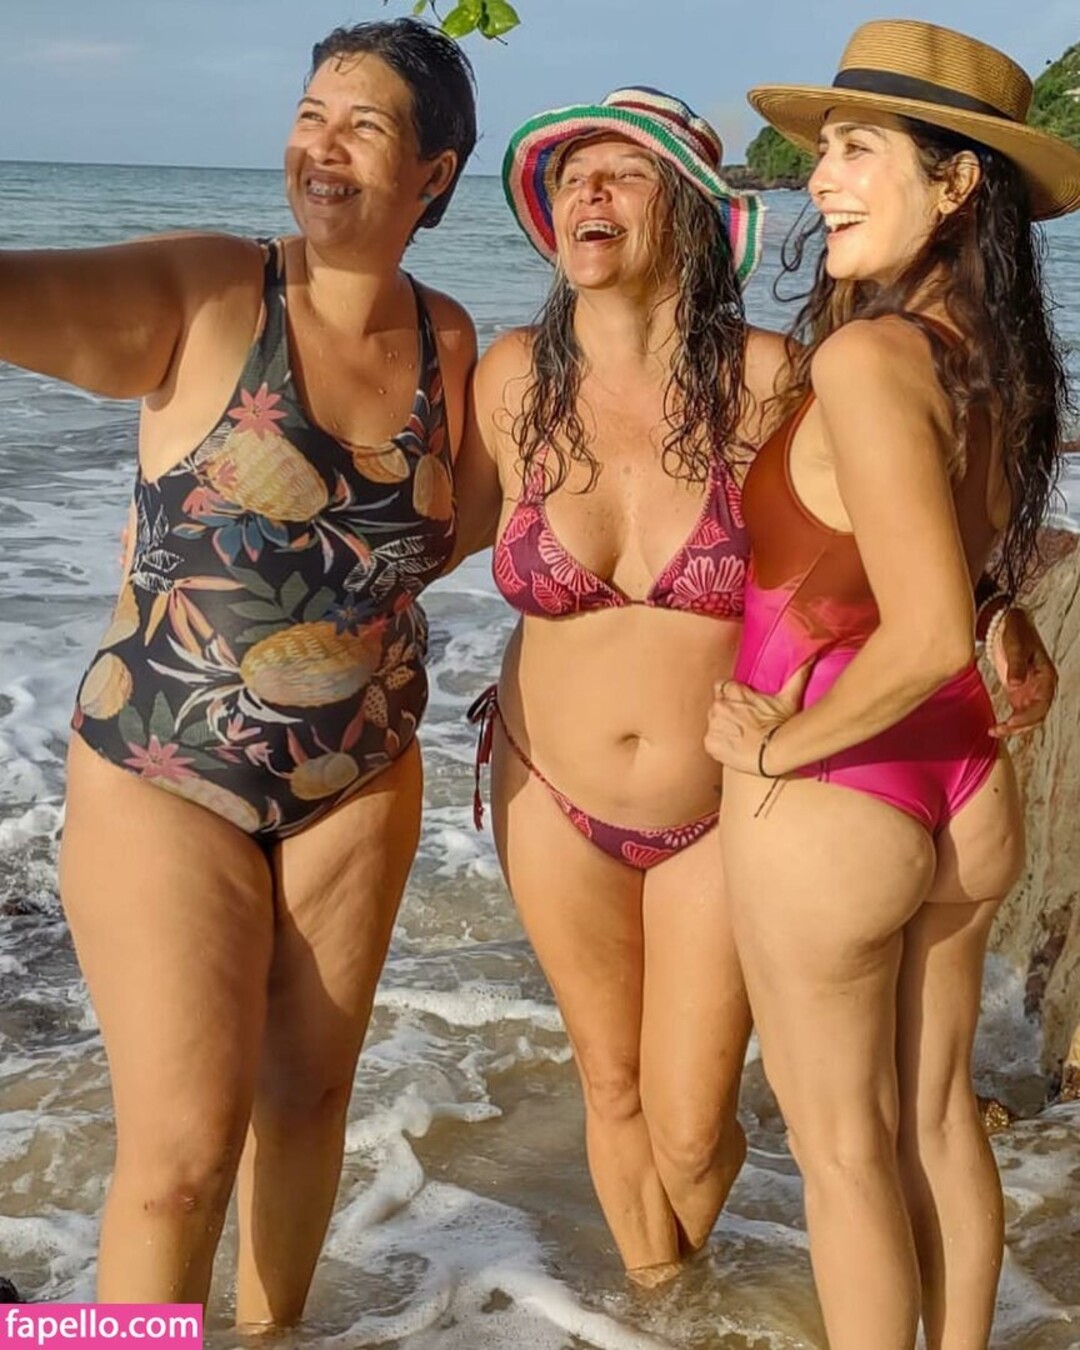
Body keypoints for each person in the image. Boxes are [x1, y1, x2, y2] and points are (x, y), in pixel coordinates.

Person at [451, 84, 1057, 1289]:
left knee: (689, 1127)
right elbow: (429, 534)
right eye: (570, 175)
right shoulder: (512, 378)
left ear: (689, 210)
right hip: (546, 784)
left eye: (624, 171)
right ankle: (660, 1306)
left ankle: (680, 1281)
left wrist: (993, 604)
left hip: (724, 803)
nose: (589, 191)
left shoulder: (778, 377)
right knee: (610, 1086)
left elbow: (887, 526)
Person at [0, 19, 476, 1325]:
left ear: (434, 174)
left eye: (364, 126)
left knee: (309, 1105)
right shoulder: (212, 293)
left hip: (358, 779)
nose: (322, 147)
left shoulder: (450, 341)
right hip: (163, 769)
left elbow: (472, 530)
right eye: (311, 115)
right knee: (180, 1163)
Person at [704, 20, 1080, 1349]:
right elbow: (956, 583)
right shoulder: (999, 364)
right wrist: (1002, 618)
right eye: (824, 152)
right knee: (934, 1122)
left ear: (958, 180)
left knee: (845, 1153)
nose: (821, 180)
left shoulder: (868, 360)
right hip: (965, 782)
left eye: (859, 149)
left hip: (839, 789)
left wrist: (777, 751)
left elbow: (914, 634)